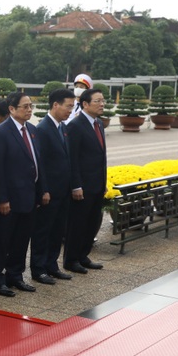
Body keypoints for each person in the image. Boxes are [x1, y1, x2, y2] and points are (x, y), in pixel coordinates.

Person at [0, 92, 48, 297]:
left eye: (31, 106)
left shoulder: (32, 130)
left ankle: (15, 275)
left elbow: (38, 163)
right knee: (2, 240)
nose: (29, 110)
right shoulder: (0, 133)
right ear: (12, 109)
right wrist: (2, 198)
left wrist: (42, 191)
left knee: (22, 240)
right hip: (9, 199)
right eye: (25, 106)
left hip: (29, 197)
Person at [30, 89, 76, 284]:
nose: (70, 111)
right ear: (55, 105)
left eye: (72, 107)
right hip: (50, 192)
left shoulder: (62, 128)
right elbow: (40, 164)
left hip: (63, 192)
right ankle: (38, 269)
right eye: (68, 106)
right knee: (43, 232)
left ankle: (51, 265)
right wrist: (44, 190)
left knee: (57, 231)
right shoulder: (43, 129)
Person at [64, 88, 107, 274]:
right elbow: (72, 159)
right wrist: (76, 185)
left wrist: (104, 183)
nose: (102, 104)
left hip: (97, 185)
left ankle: (83, 255)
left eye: (103, 101)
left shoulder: (99, 124)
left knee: (92, 222)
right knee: (78, 224)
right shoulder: (75, 125)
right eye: (97, 101)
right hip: (82, 186)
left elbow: (100, 156)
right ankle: (71, 259)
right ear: (85, 104)